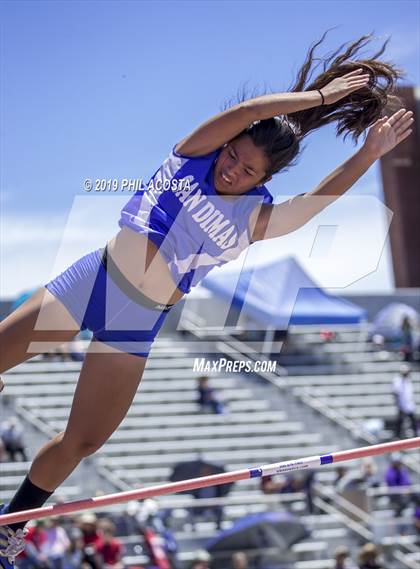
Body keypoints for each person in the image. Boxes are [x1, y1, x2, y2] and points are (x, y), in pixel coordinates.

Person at [0, 31, 413, 567]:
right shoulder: (193, 154)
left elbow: (315, 203)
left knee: (82, 441)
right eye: (233, 154)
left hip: (137, 323)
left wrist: (368, 155)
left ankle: (12, 524)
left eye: (247, 170)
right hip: (93, 282)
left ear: (265, 180)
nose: (232, 169)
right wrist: (320, 99)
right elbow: (248, 109)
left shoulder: (257, 217)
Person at [392, 364, 418, 439]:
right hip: (402, 405)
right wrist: (398, 405)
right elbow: (395, 393)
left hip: (409, 405)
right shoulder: (397, 380)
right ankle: (397, 437)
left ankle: (416, 436)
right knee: (399, 422)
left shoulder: (408, 380)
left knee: (413, 421)